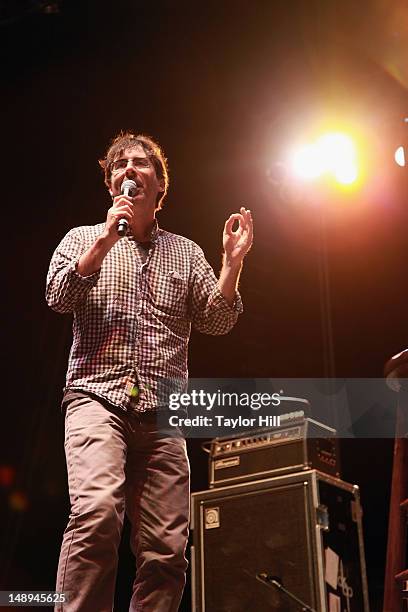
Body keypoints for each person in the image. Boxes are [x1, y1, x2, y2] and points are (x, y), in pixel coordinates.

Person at [46, 131, 253, 612]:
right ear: (111, 183)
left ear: (160, 186)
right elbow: (58, 296)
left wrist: (232, 263)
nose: (128, 171)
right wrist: (101, 243)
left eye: (140, 164)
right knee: (97, 515)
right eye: (119, 166)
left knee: (167, 551)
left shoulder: (184, 251)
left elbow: (217, 319)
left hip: (163, 415)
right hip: (96, 399)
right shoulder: (81, 238)